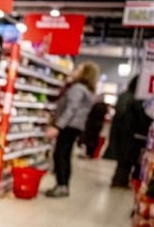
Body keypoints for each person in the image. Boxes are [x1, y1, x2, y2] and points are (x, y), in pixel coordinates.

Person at [46, 62, 99, 198]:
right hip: (76, 126)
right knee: (65, 155)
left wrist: (58, 126)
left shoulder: (77, 88)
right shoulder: (87, 90)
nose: (74, 71)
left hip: (68, 126)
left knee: (60, 155)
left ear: (84, 74)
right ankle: (63, 185)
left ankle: (61, 185)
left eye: (78, 69)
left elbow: (71, 109)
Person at [105, 77, 153, 188]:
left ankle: (119, 181)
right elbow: (142, 119)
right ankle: (121, 182)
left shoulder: (124, 95)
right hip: (132, 136)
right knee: (128, 161)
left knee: (123, 162)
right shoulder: (137, 100)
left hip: (122, 134)